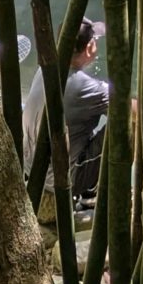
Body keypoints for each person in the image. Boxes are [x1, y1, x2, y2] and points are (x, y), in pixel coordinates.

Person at [62, 20, 109, 203]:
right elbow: (134, 110)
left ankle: (89, 191)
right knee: (129, 125)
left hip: (33, 169)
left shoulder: (45, 69)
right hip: (62, 181)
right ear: (89, 48)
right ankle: (103, 194)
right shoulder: (83, 86)